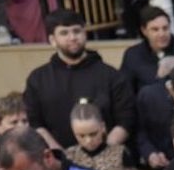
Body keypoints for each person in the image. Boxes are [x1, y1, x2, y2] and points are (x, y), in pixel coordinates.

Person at [24, 11, 135, 151]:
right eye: (64, 33)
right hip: (59, 162)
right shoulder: (38, 79)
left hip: (107, 161)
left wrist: (103, 154)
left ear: (85, 33)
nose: (72, 37)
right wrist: (61, 156)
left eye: (76, 31)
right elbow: (35, 124)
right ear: (52, 40)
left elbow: (126, 120)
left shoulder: (111, 75)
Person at [120, 5, 174, 95]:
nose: (162, 34)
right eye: (155, 29)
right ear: (144, 31)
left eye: (165, 28)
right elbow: (125, 92)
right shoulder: (132, 56)